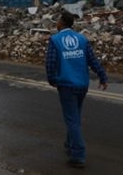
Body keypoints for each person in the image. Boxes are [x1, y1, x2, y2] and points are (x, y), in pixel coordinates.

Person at [45, 10, 108, 169]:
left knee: (72, 119)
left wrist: (52, 79)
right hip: (82, 85)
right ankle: (70, 144)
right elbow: (92, 60)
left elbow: (50, 63)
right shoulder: (82, 39)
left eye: (57, 20)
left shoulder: (55, 40)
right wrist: (102, 76)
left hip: (66, 85)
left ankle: (78, 155)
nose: (56, 23)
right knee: (75, 117)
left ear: (61, 23)